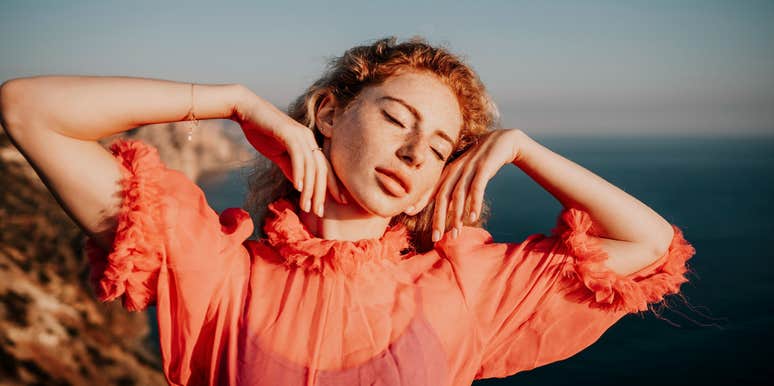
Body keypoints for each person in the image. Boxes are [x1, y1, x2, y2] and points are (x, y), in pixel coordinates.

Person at [0, 36, 696, 386]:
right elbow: (29, 108)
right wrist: (231, 99)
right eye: (396, 119)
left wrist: (523, 149)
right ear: (328, 113)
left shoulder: (465, 287)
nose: (418, 150)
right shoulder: (218, 272)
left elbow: (653, 245)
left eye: (443, 144)